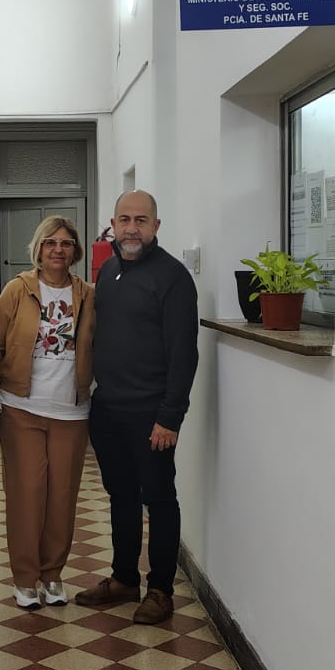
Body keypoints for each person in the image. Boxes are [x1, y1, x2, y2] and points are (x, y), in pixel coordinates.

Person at [74, 190, 198, 625]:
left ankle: (160, 590)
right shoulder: (108, 272)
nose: (131, 229)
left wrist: (170, 417)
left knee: (159, 499)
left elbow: (184, 354)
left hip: (152, 415)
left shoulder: (173, 277)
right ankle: (124, 578)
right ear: (112, 225)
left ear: (155, 226)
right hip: (109, 408)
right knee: (121, 495)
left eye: (141, 220)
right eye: (124, 220)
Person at [0, 216, 96, 610]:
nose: (58, 250)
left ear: (75, 251)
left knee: (62, 496)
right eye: (50, 242)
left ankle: (52, 575)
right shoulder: (17, 290)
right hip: (21, 409)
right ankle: (24, 578)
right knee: (27, 494)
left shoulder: (88, 295)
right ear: (38, 248)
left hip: (71, 411)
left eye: (66, 243)